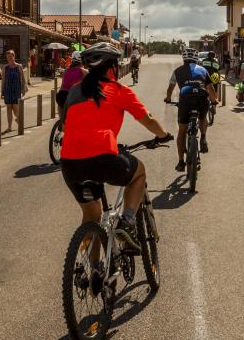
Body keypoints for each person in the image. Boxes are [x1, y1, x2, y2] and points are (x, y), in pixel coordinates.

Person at [60, 43, 172, 255]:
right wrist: (163, 135)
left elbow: (65, 126)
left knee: (91, 216)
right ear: (111, 68)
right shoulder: (119, 90)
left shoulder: (74, 92)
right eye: (117, 64)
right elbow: (147, 119)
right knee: (138, 173)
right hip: (102, 156)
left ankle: (92, 272)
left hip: (70, 163)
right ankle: (127, 222)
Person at [165, 50, 218, 171]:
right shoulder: (203, 70)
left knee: (182, 130)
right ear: (196, 59)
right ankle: (203, 137)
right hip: (201, 98)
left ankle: (180, 162)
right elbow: (210, 88)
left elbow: (170, 88)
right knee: (203, 118)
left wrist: (168, 98)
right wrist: (215, 100)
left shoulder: (177, 71)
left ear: (183, 59)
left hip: (185, 100)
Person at [1, 50, 27, 133]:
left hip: (16, 89)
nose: (9, 58)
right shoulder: (5, 67)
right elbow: (3, 80)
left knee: (15, 108)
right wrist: (2, 92)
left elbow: (22, 79)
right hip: (7, 89)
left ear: (14, 56)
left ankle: (18, 120)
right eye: (7, 57)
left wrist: (23, 89)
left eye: (10, 56)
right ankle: (9, 127)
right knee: (8, 108)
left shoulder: (19, 66)